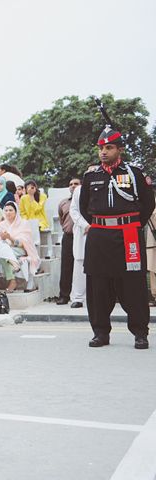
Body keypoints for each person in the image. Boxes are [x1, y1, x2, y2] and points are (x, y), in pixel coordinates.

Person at [79, 118, 154, 349]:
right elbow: (84, 207)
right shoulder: (91, 176)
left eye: (109, 147)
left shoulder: (134, 174)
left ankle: (140, 333)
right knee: (98, 287)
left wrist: (132, 224)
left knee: (133, 287)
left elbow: (148, 203)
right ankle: (101, 333)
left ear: (119, 149)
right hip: (100, 236)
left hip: (128, 235)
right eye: (101, 148)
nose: (103, 152)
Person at [0, 202, 41, 292]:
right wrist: (2, 239)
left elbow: (23, 243)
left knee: (2, 252)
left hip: (20, 250)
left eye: (11, 210)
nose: (8, 212)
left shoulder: (23, 223)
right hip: (5, 249)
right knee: (1, 250)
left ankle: (12, 279)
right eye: (6, 210)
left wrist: (9, 238)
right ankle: (13, 278)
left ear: (16, 211)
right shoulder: (1, 225)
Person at [56, 178, 81, 304]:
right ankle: (64, 295)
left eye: (76, 184)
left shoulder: (85, 201)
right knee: (66, 266)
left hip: (83, 237)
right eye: (71, 184)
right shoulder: (63, 203)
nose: (73, 186)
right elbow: (62, 219)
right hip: (68, 237)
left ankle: (83, 296)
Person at [68, 184, 88, 308]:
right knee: (80, 264)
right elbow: (73, 210)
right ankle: (78, 298)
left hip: (100, 229)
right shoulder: (79, 190)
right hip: (82, 231)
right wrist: (85, 225)